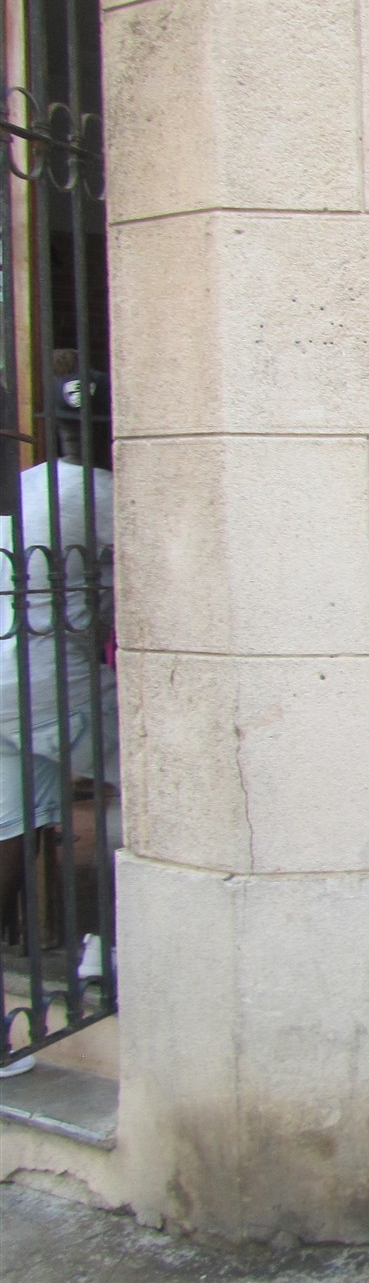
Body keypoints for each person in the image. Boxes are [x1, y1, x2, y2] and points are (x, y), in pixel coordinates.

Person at [0, 361, 117, 955]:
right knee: (168, 774)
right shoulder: (111, 494)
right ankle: (111, 944)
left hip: (5, 669)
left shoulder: (25, 484)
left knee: (12, 821)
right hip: (48, 675)